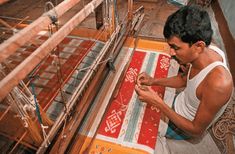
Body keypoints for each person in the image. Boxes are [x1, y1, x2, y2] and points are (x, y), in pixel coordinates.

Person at [135, 5, 233, 140]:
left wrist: (158, 103)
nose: (171, 53)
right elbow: (184, 80)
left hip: (184, 127)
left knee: (135, 123)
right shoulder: (209, 51)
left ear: (199, 46)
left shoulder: (219, 85)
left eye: (176, 48)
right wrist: (153, 80)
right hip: (180, 103)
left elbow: (196, 130)